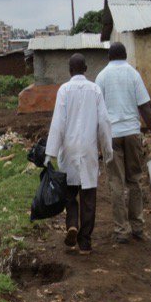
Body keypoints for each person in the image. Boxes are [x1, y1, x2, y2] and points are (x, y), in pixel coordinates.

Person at [96, 42, 151, 244]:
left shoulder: (101, 77)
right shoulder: (133, 74)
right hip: (132, 133)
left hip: (111, 136)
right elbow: (144, 106)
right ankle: (138, 227)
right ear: (125, 56)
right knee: (134, 180)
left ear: (109, 56)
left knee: (116, 182)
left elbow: (98, 110)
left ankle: (121, 230)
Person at [45, 54, 113, 255]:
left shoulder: (64, 90)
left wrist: (50, 153)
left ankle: (72, 224)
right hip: (89, 149)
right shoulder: (95, 90)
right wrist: (107, 150)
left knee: (69, 193)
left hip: (68, 149)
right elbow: (104, 122)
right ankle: (85, 242)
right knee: (89, 196)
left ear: (69, 70)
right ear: (85, 68)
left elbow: (58, 123)